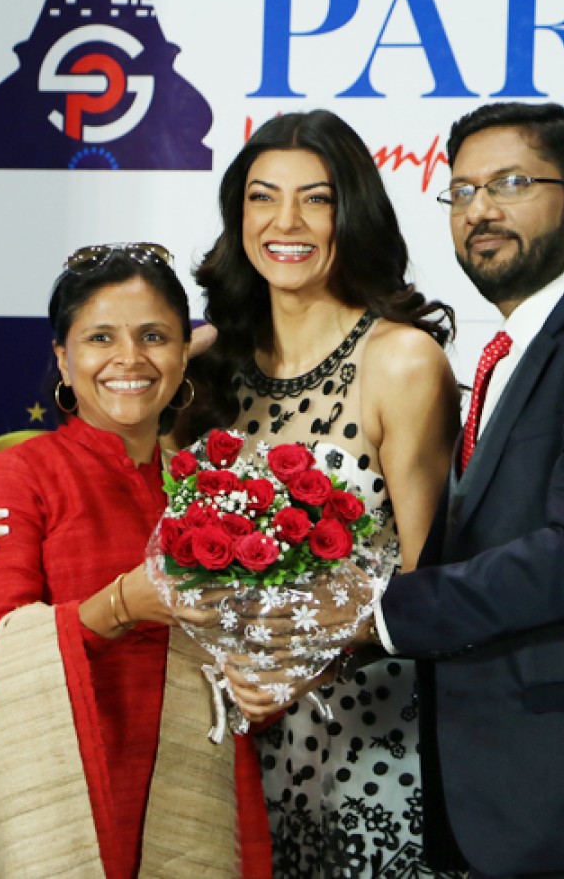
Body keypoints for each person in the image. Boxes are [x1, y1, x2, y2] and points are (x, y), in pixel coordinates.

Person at [251, 101, 564, 877]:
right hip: (512, 809)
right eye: (462, 190)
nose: (479, 209)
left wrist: (374, 612)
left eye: (511, 183)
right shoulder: (505, 354)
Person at [182, 109, 461, 877]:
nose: (286, 222)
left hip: (369, 744)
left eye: (316, 199)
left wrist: (311, 662)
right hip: (220, 750)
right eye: (263, 197)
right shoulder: (205, 367)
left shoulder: (400, 361)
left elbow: (433, 587)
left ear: (353, 212)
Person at [0, 244, 244, 878]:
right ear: (63, 358)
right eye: (101, 337)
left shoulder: (204, 492)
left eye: (154, 336)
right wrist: (122, 605)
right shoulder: (19, 477)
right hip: (48, 807)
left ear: (183, 352)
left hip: (188, 810)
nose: (129, 358)